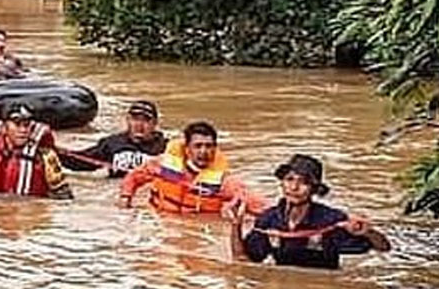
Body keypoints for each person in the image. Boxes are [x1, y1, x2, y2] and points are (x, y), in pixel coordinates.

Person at [231, 154, 390, 269]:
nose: (294, 188)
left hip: (324, 288)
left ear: (314, 189)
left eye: (304, 182)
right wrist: (236, 226)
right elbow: (242, 261)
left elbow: (383, 248)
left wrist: (368, 232)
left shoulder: (331, 220)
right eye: (289, 179)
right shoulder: (268, 220)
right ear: (282, 184)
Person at [119, 120, 266, 215]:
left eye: (209, 146)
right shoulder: (162, 164)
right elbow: (133, 178)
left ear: (215, 149)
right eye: (198, 146)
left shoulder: (225, 183)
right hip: (158, 224)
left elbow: (259, 206)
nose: (203, 152)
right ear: (187, 149)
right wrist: (125, 200)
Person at [67, 100, 167, 178]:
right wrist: (55, 150)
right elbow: (79, 161)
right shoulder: (112, 144)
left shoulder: (166, 147)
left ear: (154, 123)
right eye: (135, 119)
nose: (139, 125)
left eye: (146, 120)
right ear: (128, 120)